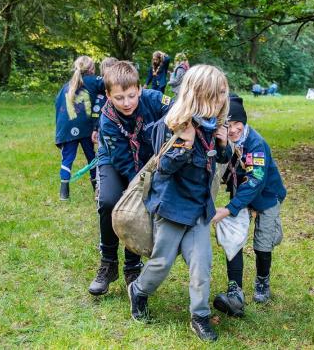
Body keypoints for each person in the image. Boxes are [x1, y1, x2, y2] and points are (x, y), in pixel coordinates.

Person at [128, 64, 232, 342]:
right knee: (161, 263)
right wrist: (184, 146)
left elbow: (220, 161)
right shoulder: (172, 124)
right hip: (172, 207)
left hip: (199, 209)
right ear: (198, 94)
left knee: (202, 266)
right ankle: (138, 291)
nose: (222, 99)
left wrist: (223, 145)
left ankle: (200, 316)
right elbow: (164, 170)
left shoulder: (212, 124)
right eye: (216, 94)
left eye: (223, 93)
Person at [87, 61, 171, 296]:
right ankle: (108, 263)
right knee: (110, 201)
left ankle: (132, 266)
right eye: (119, 97)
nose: (126, 103)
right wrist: (139, 186)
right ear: (108, 95)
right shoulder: (107, 120)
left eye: (131, 96)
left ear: (140, 89)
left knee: (138, 206)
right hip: (114, 159)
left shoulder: (154, 99)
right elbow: (122, 161)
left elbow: (177, 111)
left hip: (147, 158)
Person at [211, 96, 287, 317]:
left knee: (263, 243)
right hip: (241, 194)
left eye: (237, 125)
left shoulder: (256, 144)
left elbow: (255, 182)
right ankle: (235, 289)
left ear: (244, 123)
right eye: (228, 124)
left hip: (266, 196)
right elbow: (222, 159)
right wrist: (224, 143)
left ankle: (262, 280)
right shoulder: (226, 137)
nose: (233, 129)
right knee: (231, 235)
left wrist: (229, 208)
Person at [54, 55, 105, 201]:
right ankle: (97, 189)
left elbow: (57, 105)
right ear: (91, 68)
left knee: (67, 158)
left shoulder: (66, 86)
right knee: (92, 157)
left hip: (67, 126)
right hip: (85, 127)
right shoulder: (94, 80)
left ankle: (64, 193)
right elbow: (110, 85)